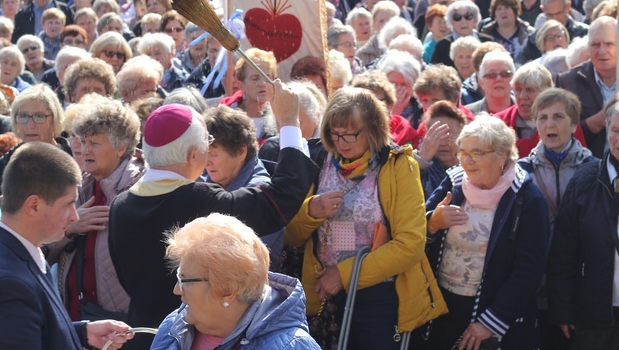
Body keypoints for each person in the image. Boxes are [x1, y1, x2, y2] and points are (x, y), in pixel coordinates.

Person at [108, 83, 319, 347]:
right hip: (196, 336)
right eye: (207, 143)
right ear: (194, 154)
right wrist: (289, 122)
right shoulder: (203, 200)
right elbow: (280, 200)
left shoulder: (119, 205)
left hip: (144, 337)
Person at [285, 87, 446, 349]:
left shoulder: (398, 165)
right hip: (320, 291)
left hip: (376, 298)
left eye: (350, 134)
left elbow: (411, 244)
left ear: (373, 129)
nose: (341, 142)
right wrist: (310, 211)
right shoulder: (317, 158)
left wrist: (344, 275)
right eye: (334, 134)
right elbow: (291, 236)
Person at [0, 143, 134, 349]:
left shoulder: (8, 251)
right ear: (34, 205)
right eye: (68, 204)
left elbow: (26, 330)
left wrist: (80, 333)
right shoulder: (6, 285)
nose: (75, 215)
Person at [425, 115, 550, 349]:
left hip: (493, 318)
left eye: (478, 153)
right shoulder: (454, 182)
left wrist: (491, 321)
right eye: (463, 152)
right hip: (441, 309)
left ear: (502, 156)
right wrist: (432, 224)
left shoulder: (527, 198)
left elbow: (529, 270)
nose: (467, 160)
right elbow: (414, 235)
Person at [152, 213, 320, 350]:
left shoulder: (293, 346)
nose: (177, 290)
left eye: (184, 280)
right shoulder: (174, 325)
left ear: (227, 290)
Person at [46, 100, 145, 322]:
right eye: (83, 141)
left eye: (94, 143)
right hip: (75, 319)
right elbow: (42, 249)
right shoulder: (78, 186)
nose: (84, 149)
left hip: (120, 326)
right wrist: (69, 229)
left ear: (121, 147)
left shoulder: (141, 188)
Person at [515, 88, 597, 349]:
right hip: (534, 288)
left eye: (558, 117)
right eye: (542, 117)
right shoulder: (520, 172)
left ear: (574, 125)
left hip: (580, 289)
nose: (549, 124)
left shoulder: (594, 170)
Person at [547, 92, 619, 349]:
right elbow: (565, 250)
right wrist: (562, 309)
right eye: (615, 130)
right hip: (594, 315)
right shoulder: (586, 177)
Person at [202, 106, 284, 268]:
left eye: (214, 154)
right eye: (205, 152)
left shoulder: (259, 193)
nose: (207, 161)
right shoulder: (207, 182)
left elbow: (239, 261)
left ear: (241, 152)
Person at [0, 84, 70, 196]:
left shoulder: (75, 159)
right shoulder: (1, 167)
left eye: (39, 116)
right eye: (23, 116)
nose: (30, 125)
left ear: (54, 119)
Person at [555, 16, 617, 157]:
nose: (602, 51)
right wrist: (594, 123)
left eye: (609, 44)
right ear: (588, 47)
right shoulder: (568, 82)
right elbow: (557, 134)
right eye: (595, 44)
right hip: (587, 171)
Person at [466, 51, 515, 115]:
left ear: (513, 79)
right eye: (492, 74)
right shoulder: (468, 115)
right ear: (482, 82)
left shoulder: (527, 112)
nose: (498, 79)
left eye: (505, 74)